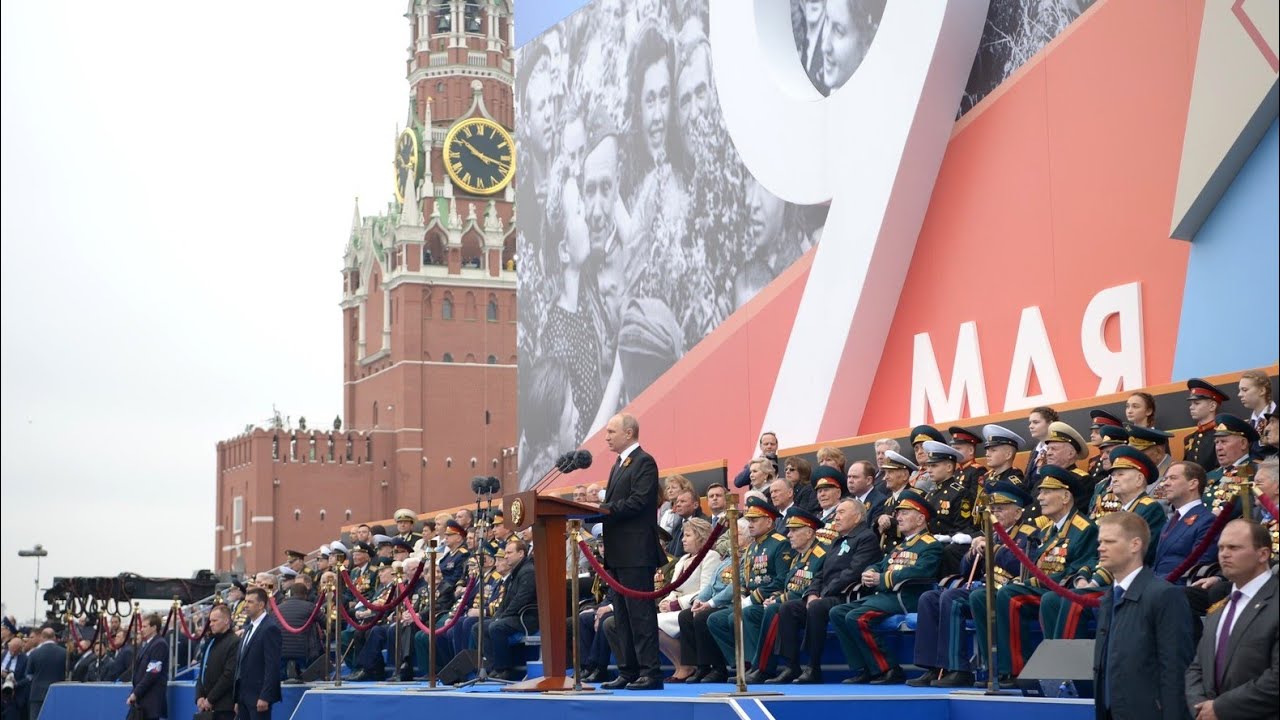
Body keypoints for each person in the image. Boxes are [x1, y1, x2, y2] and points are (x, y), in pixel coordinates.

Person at [970, 467, 1099, 686]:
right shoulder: (1048, 530)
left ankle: (1018, 670)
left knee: (1011, 595)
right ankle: (994, 667)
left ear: (1066, 496)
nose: (1040, 498)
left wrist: (1028, 581)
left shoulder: (1083, 528)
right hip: (1042, 586)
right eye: (1040, 492)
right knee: (980, 596)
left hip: (1059, 589)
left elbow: (1077, 569)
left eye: (1047, 492)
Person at [911, 480, 1037, 688]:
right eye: (993, 509)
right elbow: (965, 572)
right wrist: (972, 553)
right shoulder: (992, 533)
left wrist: (992, 549)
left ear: (1017, 513)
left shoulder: (1029, 534)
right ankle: (934, 668)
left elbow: (1021, 565)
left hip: (1007, 591)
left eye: (1001, 509)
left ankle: (957, 669)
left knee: (952, 598)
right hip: (984, 589)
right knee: (929, 598)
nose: (996, 513)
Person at [830, 489, 942, 684]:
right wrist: (871, 571)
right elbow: (881, 564)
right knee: (837, 612)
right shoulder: (901, 546)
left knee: (857, 617)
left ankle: (888, 668)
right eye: (898, 513)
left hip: (907, 596)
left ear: (920, 519)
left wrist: (881, 579)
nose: (898, 517)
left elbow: (920, 572)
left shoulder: (930, 544)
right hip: (885, 597)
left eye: (905, 513)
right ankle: (863, 667)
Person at [1093, 512, 1194, 720]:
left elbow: (1175, 669)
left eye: (1109, 541)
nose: (1101, 548)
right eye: (1100, 541)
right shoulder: (1109, 599)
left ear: (1135, 545)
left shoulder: (1164, 595)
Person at [769, 497, 881, 684]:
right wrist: (812, 593)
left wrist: (823, 593)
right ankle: (791, 665)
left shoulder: (866, 538)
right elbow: (820, 572)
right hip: (827, 595)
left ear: (857, 517)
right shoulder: (837, 541)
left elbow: (852, 572)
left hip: (848, 596)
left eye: (841, 513)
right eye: (835, 513)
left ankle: (813, 667)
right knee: (788, 608)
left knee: (817, 607)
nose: (836, 517)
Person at [595, 414, 665, 691]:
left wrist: (604, 510)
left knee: (640, 615)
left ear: (629, 432)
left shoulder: (644, 461)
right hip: (618, 552)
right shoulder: (618, 464)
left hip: (636, 552)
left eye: (611, 431)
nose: (607, 437)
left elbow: (639, 501)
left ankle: (650, 673)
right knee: (622, 616)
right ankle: (628, 670)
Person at [1185, 520, 1278, 720]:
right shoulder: (1219, 609)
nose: (1224, 554)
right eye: (1221, 547)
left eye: (1234, 547)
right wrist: (1200, 708)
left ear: (1263, 554)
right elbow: (1197, 668)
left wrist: (1220, 709)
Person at [706, 496, 795, 674]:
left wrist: (752, 599)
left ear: (769, 521)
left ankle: (760, 666)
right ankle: (742, 665)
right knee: (715, 619)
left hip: (769, 600)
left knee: (741, 615)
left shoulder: (780, 543)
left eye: (755, 520)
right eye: (749, 520)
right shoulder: (752, 547)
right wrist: (741, 595)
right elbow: (746, 580)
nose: (750, 524)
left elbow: (781, 580)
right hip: (751, 599)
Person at [742, 507, 827, 683]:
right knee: (751, 612)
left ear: (810, 532)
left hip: (810, 604)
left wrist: (778, 600)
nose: (789, 535)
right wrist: (775, 596)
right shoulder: (798, 557)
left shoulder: (821, 555)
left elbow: (809, 588)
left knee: (776, 610)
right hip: (789, 602)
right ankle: (754, 665)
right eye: (789, 530)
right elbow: (789, 585)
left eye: (795, 530)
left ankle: (768, 668)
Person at [656, 518, 719, 682]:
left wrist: (678, 603)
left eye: (688, 535)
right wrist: (666, 602)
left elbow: (706, 589)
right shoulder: (682, 560)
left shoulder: (710, 556)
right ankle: (679, 665)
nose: (683, 539)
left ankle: (687, 666)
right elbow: (674, 587)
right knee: (648, 623)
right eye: (683, 535)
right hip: (676, 608)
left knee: (652, 623)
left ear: (701, 537)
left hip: (695, 607)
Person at [1153, 462, 1218, 579]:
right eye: (1165, 479)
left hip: (1176, 589)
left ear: (1193, 484)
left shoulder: (1207, 521)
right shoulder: (1172, 521)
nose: (1165, 483)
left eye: (1173, 478)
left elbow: (1197, 568)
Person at [234, 587, 282, 720]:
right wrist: (238, 698)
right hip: (244, 696)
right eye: (245, 601)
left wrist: (265, 696)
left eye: (250, 602)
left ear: (261, 605)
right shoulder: (249, 627)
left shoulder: (270, 628)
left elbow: (272, 665)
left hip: (258, 697)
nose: (245, 605)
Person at [1204, 414, 1259, 516]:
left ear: (1243, 443)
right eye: (1216, 442)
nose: (1218, 448)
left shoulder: (1256, 472)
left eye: (1223, 442)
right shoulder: (1209, 476)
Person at [196, 604, 239, 720]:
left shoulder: (234, 642)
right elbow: (202, 671)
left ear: (226, 621)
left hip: (224, 707)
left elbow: (229, 675)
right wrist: (199, 696)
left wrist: (210, 699)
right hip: (206, 705)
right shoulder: (210, 642)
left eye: (215, 620)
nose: (211, 624)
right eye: (210, 621)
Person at [128, 613, 168, 720]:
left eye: (145, 626)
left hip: (151, 702)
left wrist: (136, 693)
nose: (141, 629)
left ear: (154, 628)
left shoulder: (160, 644)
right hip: (141, 701)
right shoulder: (147, 644)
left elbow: (152, 673)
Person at [1185, 379, 1229, 473]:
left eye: (1196, 403)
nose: (1191, 407)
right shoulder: (1189, 439)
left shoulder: (1223, 435)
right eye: (1191, 403)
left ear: (1212, 406)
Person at [21, 628, 64, 720]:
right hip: (57, 693)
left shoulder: (34, 653)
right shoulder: (63, 652)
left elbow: (28, 675)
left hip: (37, 694)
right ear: (54, 637)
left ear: (42, 637)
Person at [980, 424, 1027, 492]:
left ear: (1008, 454)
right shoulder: (987, 478)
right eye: (987, 450)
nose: (987, 454)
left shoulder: (1012, 482)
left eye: (993, 450)